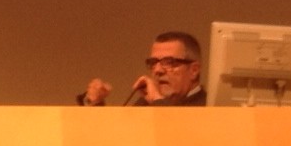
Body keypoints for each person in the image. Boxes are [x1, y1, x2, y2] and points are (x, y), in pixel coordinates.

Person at [78, 31, 206, 106]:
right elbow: (117, 136)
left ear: (194, 70)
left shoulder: (210, 107)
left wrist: (157, 100)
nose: (158, 70)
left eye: (169, 62)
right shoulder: (146, 103)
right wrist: (96, 104)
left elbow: (179, 134)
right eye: (153, 62)